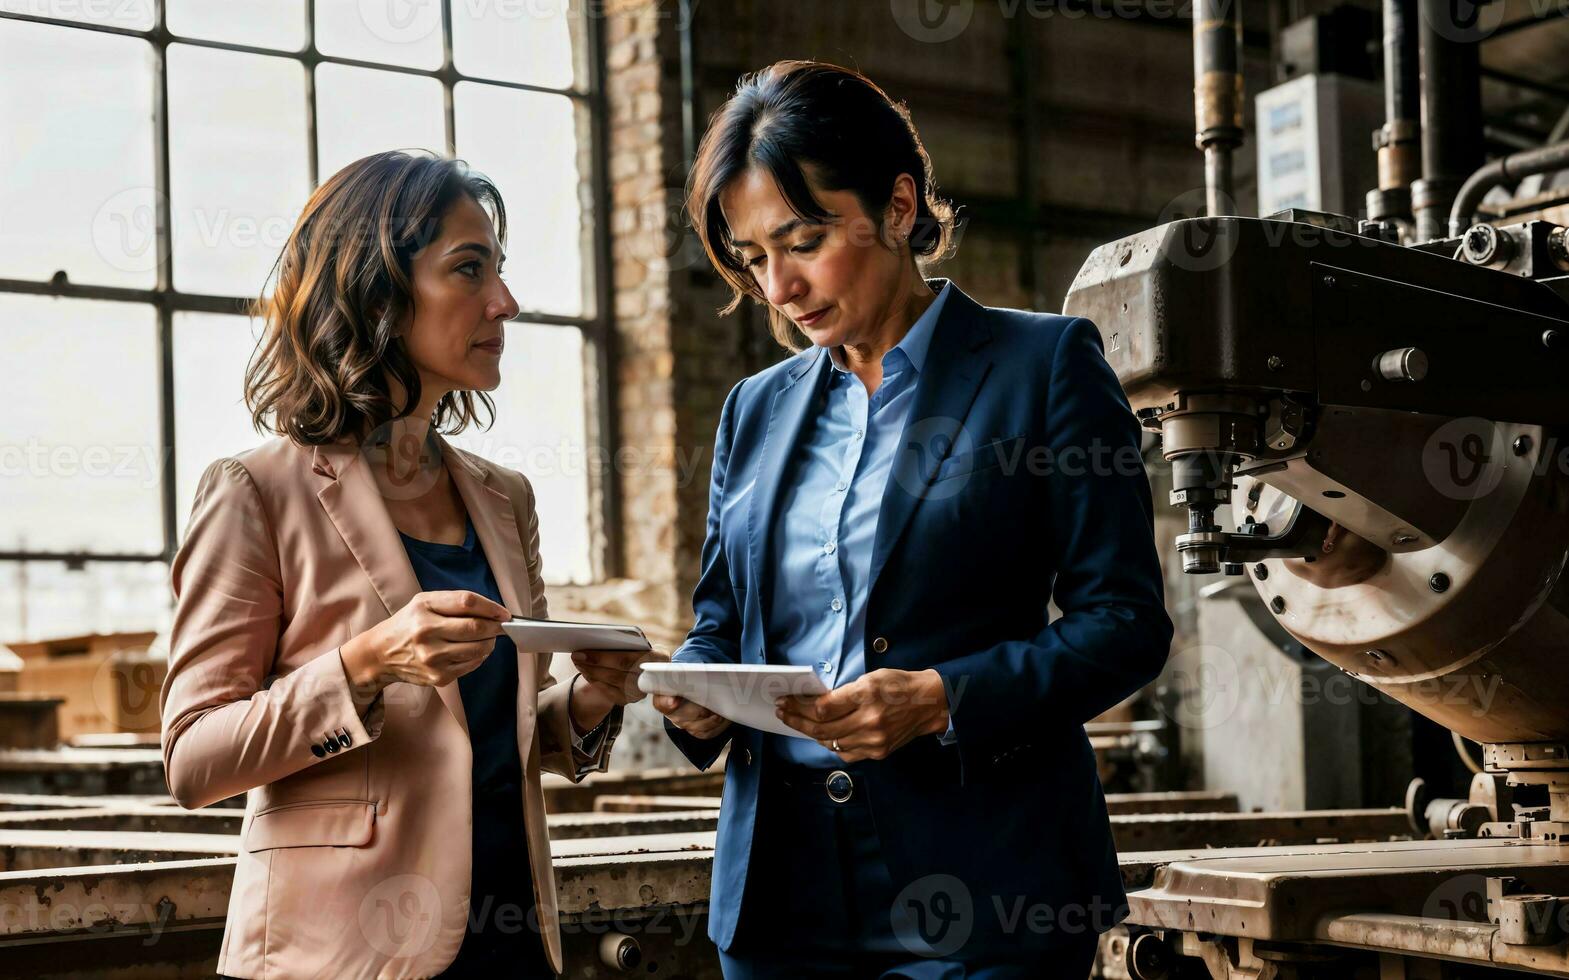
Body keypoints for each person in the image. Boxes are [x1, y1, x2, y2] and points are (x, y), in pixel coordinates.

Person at [654, 62, 1175, 977]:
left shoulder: (1042, 365)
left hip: (985, 880)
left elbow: (1123, 628)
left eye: (803, 239)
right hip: (783, 889)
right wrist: (692, 695)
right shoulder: (754, 409)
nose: (778, 287)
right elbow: (720, 623)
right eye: (753, 257)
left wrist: (941, 698)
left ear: (898, 208)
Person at [159, 150, 661, 978]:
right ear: (377, 291)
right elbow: (192, 758)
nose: (504, 302)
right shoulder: (255, 493)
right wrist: (362, 665)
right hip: (341, 956)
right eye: (469, 270)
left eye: (499, 270)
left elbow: (495, 734)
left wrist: (591, 697)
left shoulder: (505, 498)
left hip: (511, 944)